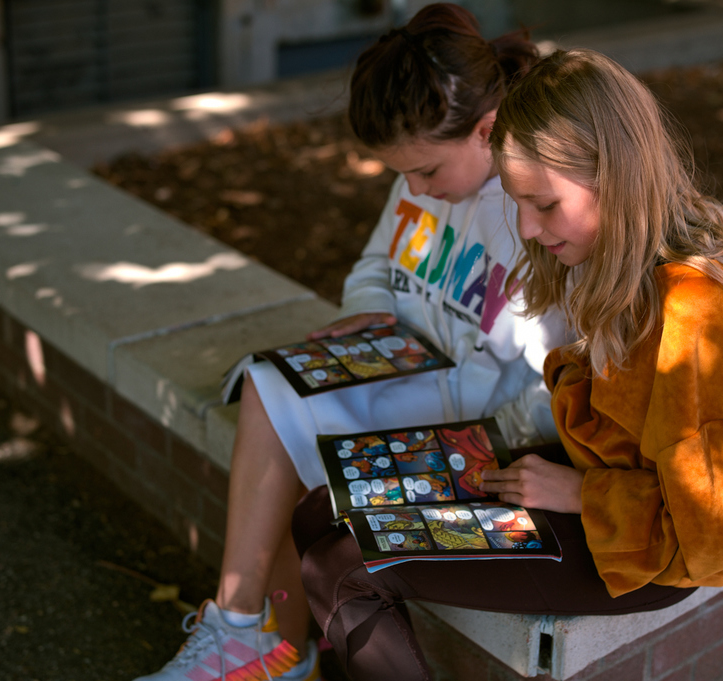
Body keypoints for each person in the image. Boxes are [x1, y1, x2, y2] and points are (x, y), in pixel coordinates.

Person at [293, 48, 723, 681]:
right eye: (518, 203)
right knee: (319, 510)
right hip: (582, 482)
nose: (529, 229)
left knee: (342, 569)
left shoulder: (698, 307)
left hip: (639, 552)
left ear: (618, 178)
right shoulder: (610, 260)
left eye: (546, 204)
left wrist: (582, 494)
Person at [135, 6, 565, 681]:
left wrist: (490, 441)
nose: (414, 189)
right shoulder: (421, 176)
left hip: (481, 425)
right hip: (407, 372)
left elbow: (560, 376)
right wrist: (368, 311)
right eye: (404, 173)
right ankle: (242, 628)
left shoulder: (537, 216)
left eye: (425, 170)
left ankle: (270, 649)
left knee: (300, 450)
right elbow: (373, 267)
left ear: (487, 130)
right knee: (269, 383)